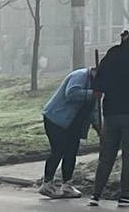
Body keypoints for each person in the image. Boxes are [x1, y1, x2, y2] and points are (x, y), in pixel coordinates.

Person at [90, 31, 129, 207]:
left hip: (111, 115)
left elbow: (98, 88)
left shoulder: (108, 61)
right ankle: (124, 196)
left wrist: (98, 116)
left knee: (106, 156)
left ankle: (95, 195)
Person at [38, 67, 98, 199]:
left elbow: (94, 109)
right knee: (58, 150)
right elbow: (70, 93)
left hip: (74, 123)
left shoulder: (96, 86)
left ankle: (67, 185)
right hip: (56, 119)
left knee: (71, 152)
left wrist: (99, 127)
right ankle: (47, 183)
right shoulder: (80, 76)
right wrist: (91, 93)